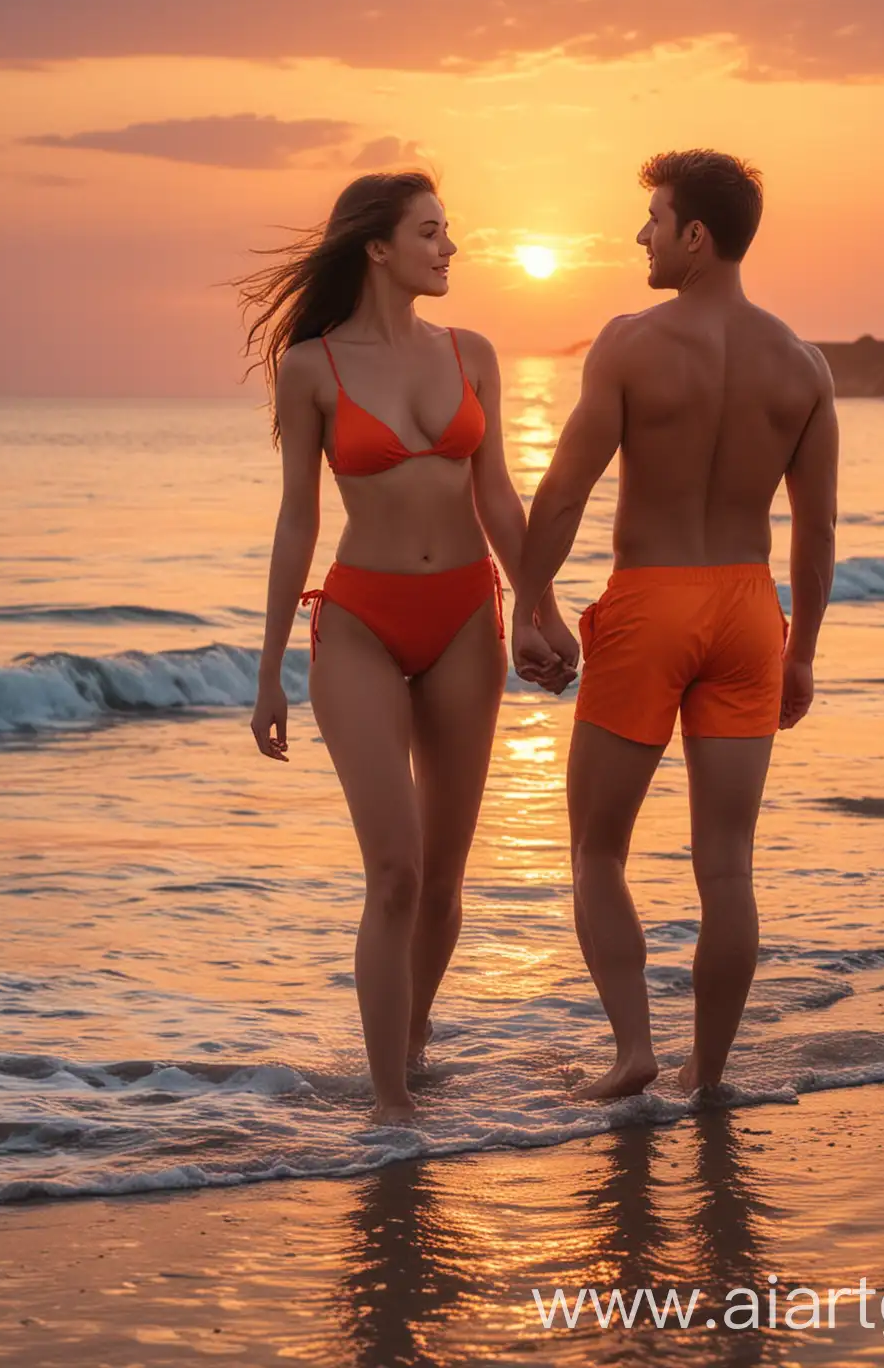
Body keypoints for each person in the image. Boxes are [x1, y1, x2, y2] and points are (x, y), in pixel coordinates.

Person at [242, 172, 577, 1124]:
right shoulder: (313, 367)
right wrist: (267, 673)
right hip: (358, 622)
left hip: (468, 617)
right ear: (378, 249)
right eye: (431, 233)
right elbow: (296, 520)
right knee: (392, 868)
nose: (449, 249)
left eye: (450, 232)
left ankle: (415, 1037)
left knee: (441, 878)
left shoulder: (472, 353)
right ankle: (390, 1106)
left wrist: (542, 607)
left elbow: (498, 497)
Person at [512, 150, 839, 1101]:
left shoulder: (628, 343)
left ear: (697, 236)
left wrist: (528, 602)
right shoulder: (802, 366)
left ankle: (632, 1051)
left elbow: (566, 490)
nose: (641, 236)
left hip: (652, 598)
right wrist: (802, 650)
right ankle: (708, 1073)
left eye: (654, 219)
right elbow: (815, 531)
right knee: (728, 868)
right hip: (747, 610)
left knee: (597, 849)